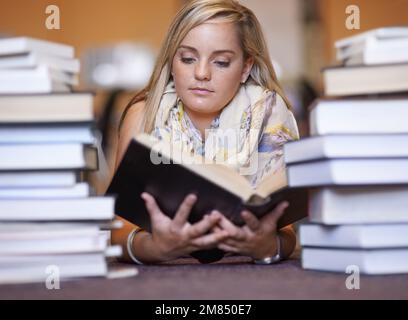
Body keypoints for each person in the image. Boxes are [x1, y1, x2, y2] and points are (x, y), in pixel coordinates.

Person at [110, 0, 299, 265]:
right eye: (187, 58)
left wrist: (265, 245)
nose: (201, 73)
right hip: (164, 279)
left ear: (245, 67)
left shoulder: (269, 112)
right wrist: (155, 248)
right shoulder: (145, 113)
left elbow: (286, 234)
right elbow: (117, 232)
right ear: (172, 59)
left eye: (221, 62)